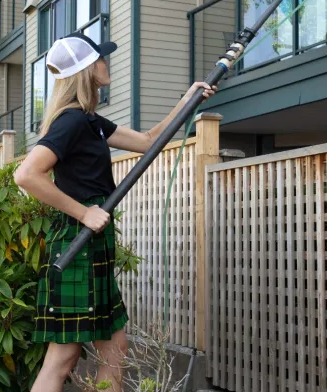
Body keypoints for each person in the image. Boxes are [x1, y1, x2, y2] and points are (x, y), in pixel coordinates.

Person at [14, 33, 215, 392]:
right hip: (78, 244)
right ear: (87, 68)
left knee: (115, 350)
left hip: (93, 244)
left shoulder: (91, 121)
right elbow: (27, 174)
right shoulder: (71, 121)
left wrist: (187, 101)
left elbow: (149, 141)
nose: (107, 63)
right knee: (62, 359)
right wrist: (83, 212)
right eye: (102, 58)